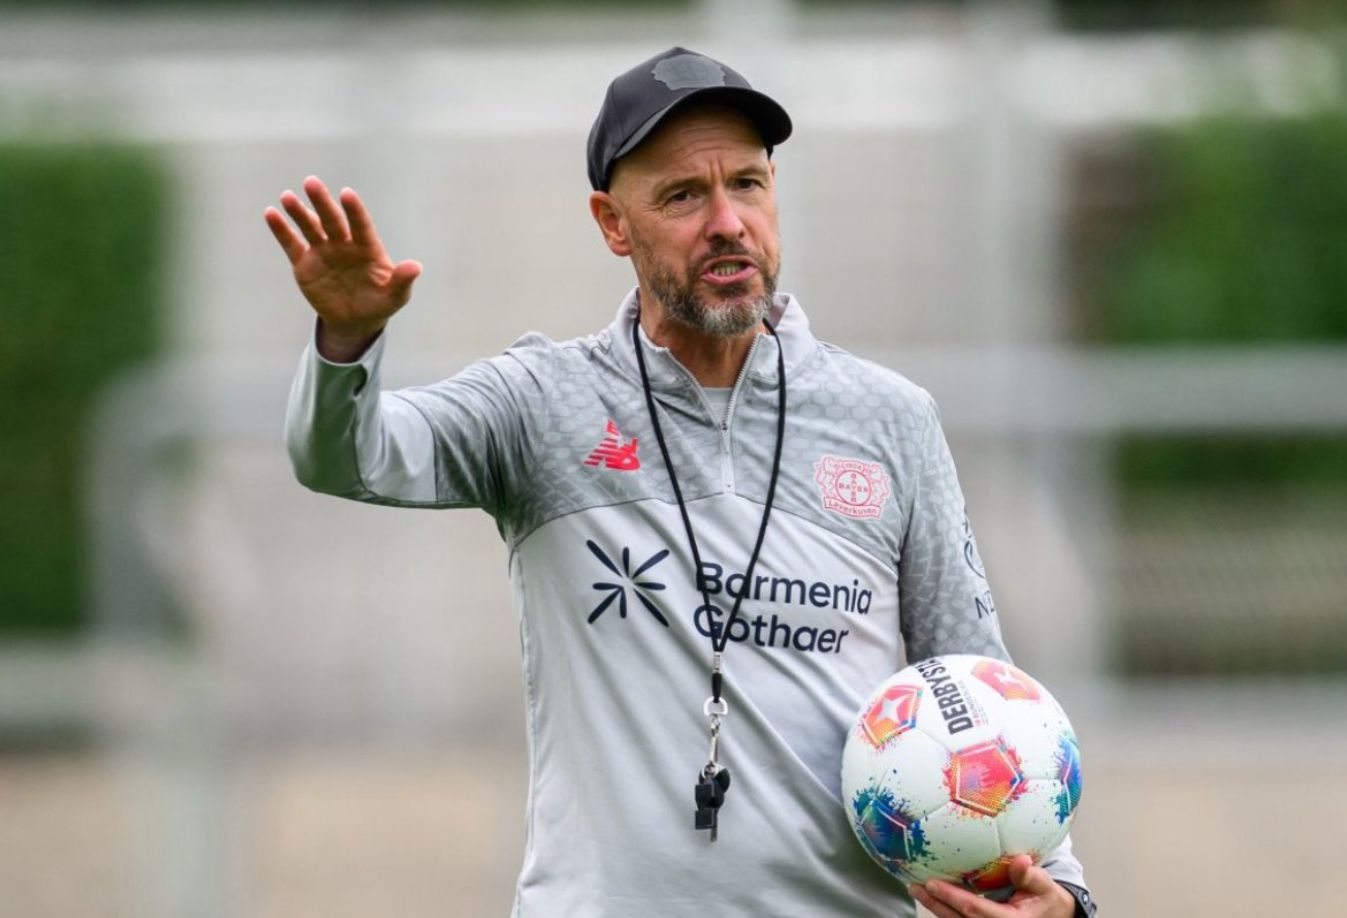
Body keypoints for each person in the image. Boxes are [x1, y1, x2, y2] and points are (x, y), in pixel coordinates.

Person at [268, 47, 1097, 918]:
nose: (727, 222)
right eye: (682, 196)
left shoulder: (889, 417)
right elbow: (345, 458)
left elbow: (978, 688)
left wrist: (1064, 892)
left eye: (746, 184)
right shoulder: (541, 402)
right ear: (612, 223)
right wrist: (346, 341)